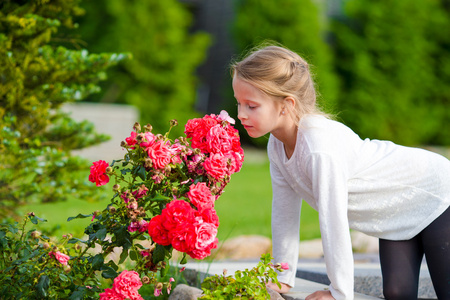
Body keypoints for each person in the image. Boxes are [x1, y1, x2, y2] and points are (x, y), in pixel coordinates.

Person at [231, 44, 450, 300]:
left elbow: (332, 220)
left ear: (286, 105)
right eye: (239, 104)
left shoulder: (318, 147)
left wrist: (339, 292)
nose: (240, 115)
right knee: (396, 293)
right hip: (396, 213)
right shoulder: (277, 144)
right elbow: (284, 212)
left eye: (251, 106)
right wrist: (282, 276)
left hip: (436, 191)